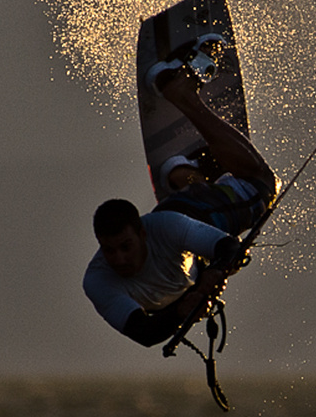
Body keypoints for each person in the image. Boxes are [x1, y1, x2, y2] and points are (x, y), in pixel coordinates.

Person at [83, 67, 277, 347]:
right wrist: (185, 309)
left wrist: (216, 272)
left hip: (196, 217)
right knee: (201, 198)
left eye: (126, 246)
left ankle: (184, 96)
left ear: (142, 233)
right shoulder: (98, 280)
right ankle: (184, 173)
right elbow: (144, 333)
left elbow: (229, 248)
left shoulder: (165, 227)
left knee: (263, 186)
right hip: (189, 268)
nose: (119, 258)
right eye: (110, 250)